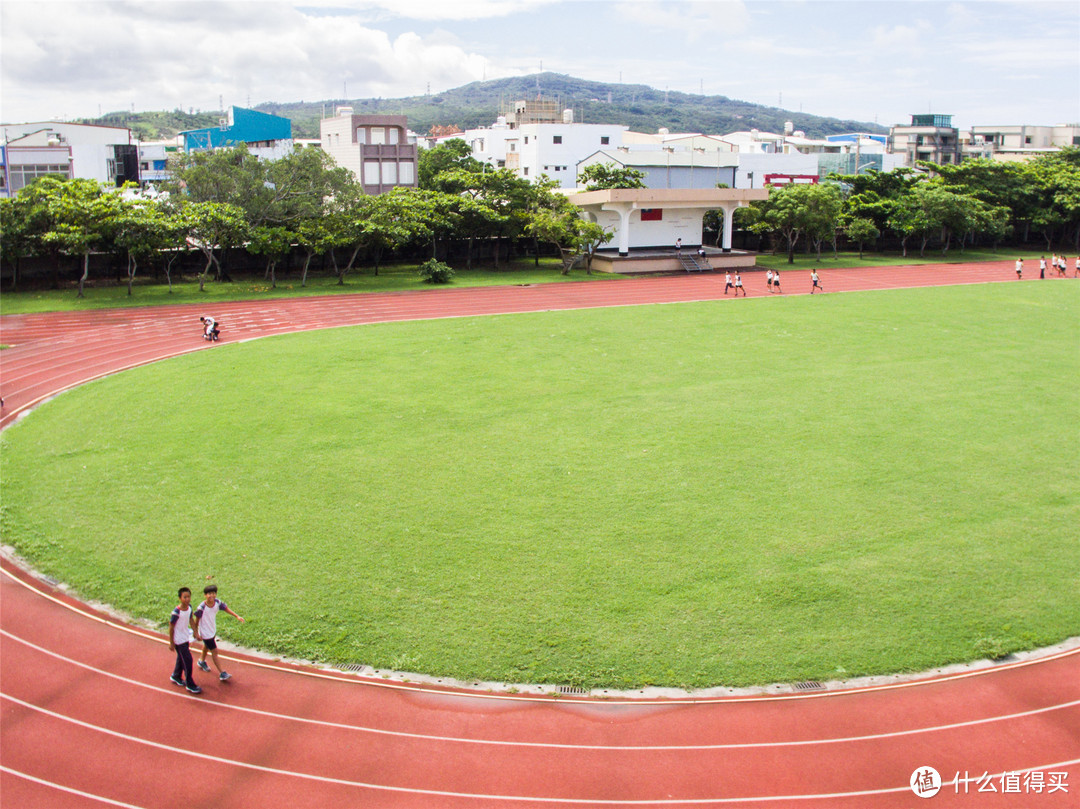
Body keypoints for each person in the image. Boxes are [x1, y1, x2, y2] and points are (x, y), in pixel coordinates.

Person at [194, 584, 245, 681]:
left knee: (206, 646)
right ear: (205, 595)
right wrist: (196, 632)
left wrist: (236, 616)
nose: (211, 596)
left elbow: (226, 608)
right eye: (209, 594)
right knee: (214, 651)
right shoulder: (201, 607)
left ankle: (201, 661)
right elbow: (196, 620)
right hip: (205, 633)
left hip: (212, 630)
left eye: (213, 593)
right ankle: (222, 672)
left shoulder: (217, 603)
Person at [169, 587, 202, 694]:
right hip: (179, 640)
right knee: (188, 660)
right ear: (180, 598)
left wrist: (195, 632)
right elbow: (171, 627)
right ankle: (190, 683)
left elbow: (191, 620)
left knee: (181, 658)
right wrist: (171, 643)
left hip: (185, 637)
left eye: (188, 597)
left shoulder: (189, 608)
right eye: (185, 597)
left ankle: (176, 676)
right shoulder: (176, 612)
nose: (187, 599)